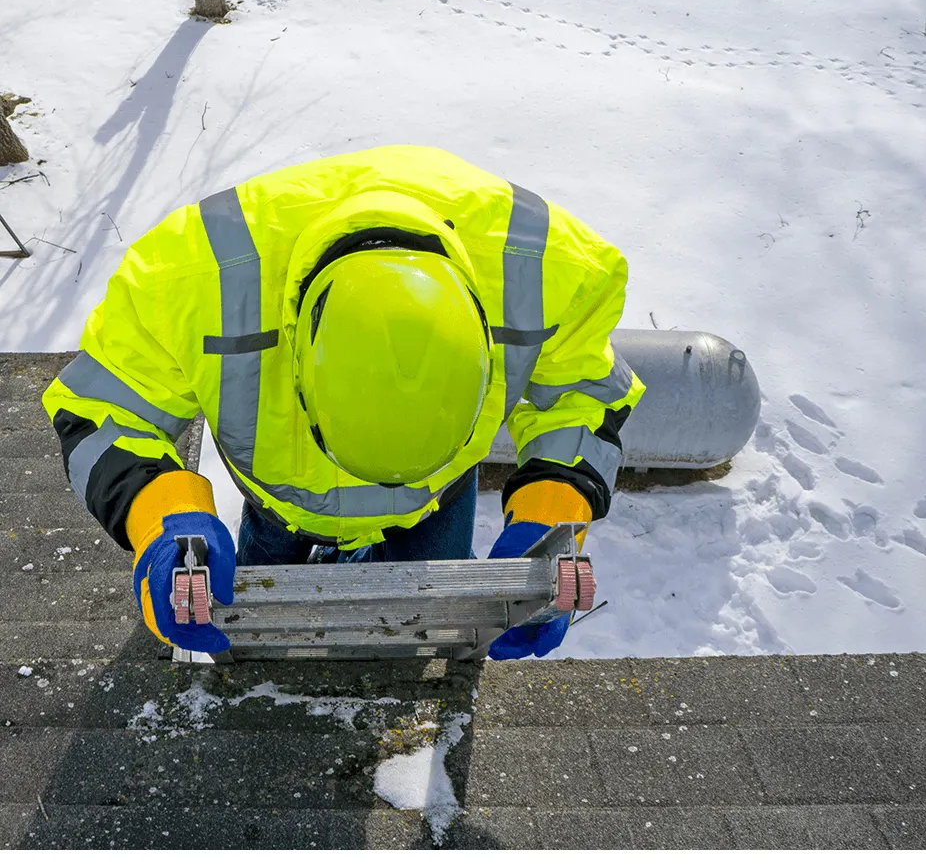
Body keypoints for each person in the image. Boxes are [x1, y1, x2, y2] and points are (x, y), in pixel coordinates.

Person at [43, 145, 645, 659]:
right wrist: (165, 519)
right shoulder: (186, 279)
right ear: (297, 362)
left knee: (426, 645)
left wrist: (551, 512)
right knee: (255, 634)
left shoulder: (548, 268)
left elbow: (580, 396)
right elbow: (103, 411)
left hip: (436, 497)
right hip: (283, 501)